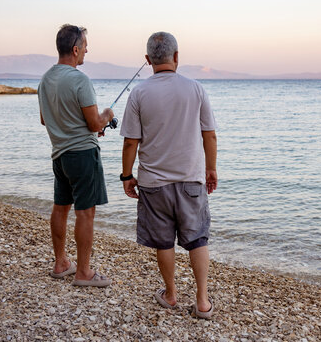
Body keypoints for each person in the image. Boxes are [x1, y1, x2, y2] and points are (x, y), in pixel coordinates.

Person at [120, 32, 218, 319]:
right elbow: (209, 135)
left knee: (164, 241)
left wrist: (126, 175)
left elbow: (130, 141)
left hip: (153, 184)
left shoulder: (139, 92)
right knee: (198, 239)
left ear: (148, 60)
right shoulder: (196, 88)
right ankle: (202, 301)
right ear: (177, 57)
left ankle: (172, 294)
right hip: (191, 180)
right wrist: (210, 169)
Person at [38, 24, 114, 287]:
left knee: (61, 208)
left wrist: (77, 126)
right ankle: (83, 272)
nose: (86, 50)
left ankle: (61, 263)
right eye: (84, 45)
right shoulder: (80, 79)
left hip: (59, 156)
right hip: (82, 155)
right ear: (74, 49)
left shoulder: (45, 79)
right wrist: (107, 116)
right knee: (85, 213)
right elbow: (94, 123)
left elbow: (44, 119)